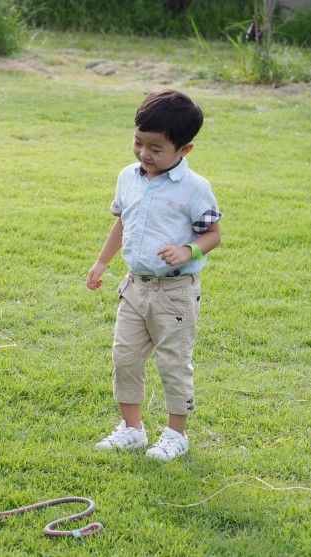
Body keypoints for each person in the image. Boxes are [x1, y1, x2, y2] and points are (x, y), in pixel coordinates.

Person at [86, 90, 222, 462]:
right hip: (134, 287)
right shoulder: (128, 177)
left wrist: (188, 250)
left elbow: (213, 235)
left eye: (156, 148)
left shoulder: (195, 189)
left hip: (175, 292)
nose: (144, 153)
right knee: (125, 357)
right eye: (138, 142)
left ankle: (176, 434)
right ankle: (131, 429)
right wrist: (102, 262)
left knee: (173, 362)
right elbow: (122, 223)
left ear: (185, 149)